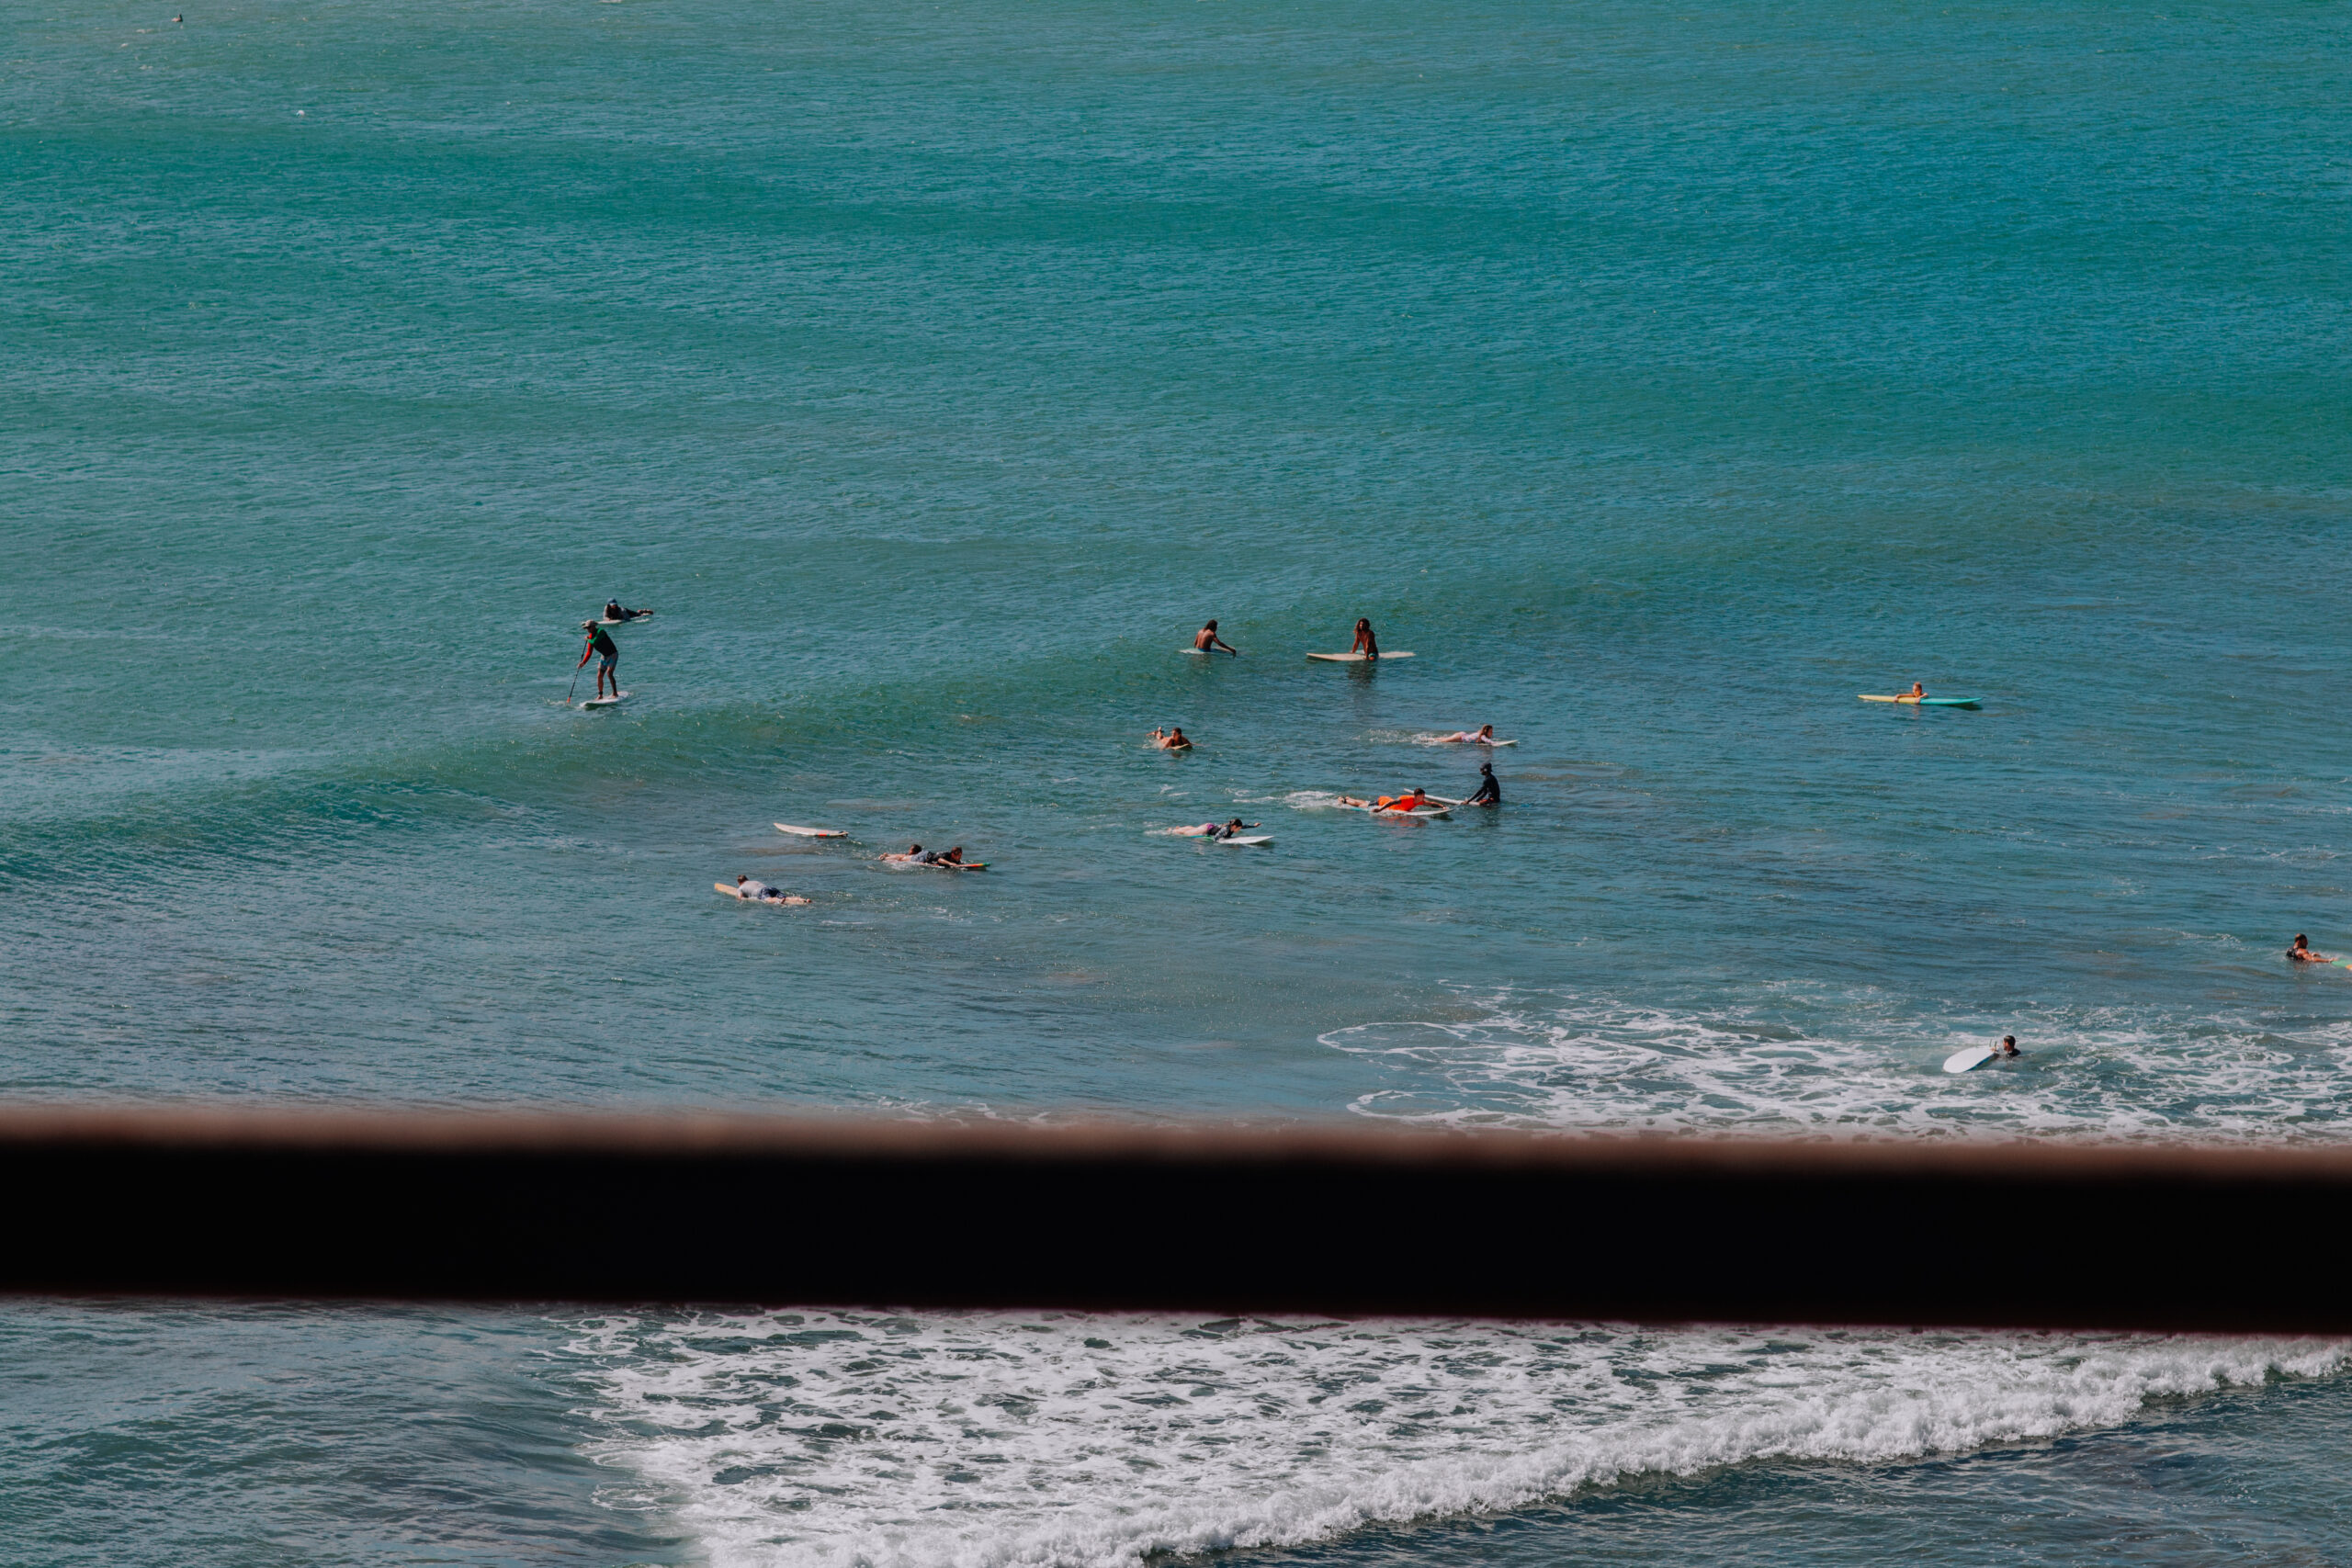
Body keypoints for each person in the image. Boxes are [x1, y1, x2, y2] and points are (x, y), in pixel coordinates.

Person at [577, 621, 620, 699]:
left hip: (613, 654)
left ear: (594, 626)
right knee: (599, 676)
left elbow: (595, 641)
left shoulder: (601, 631)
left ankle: (615, 693)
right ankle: (600, 695)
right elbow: (589, 652)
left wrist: (587, 639)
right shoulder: (590, 637)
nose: (588, 630)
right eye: (586, 628)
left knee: (609, 673)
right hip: (604, 656)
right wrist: (583, 663)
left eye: (589, 627)